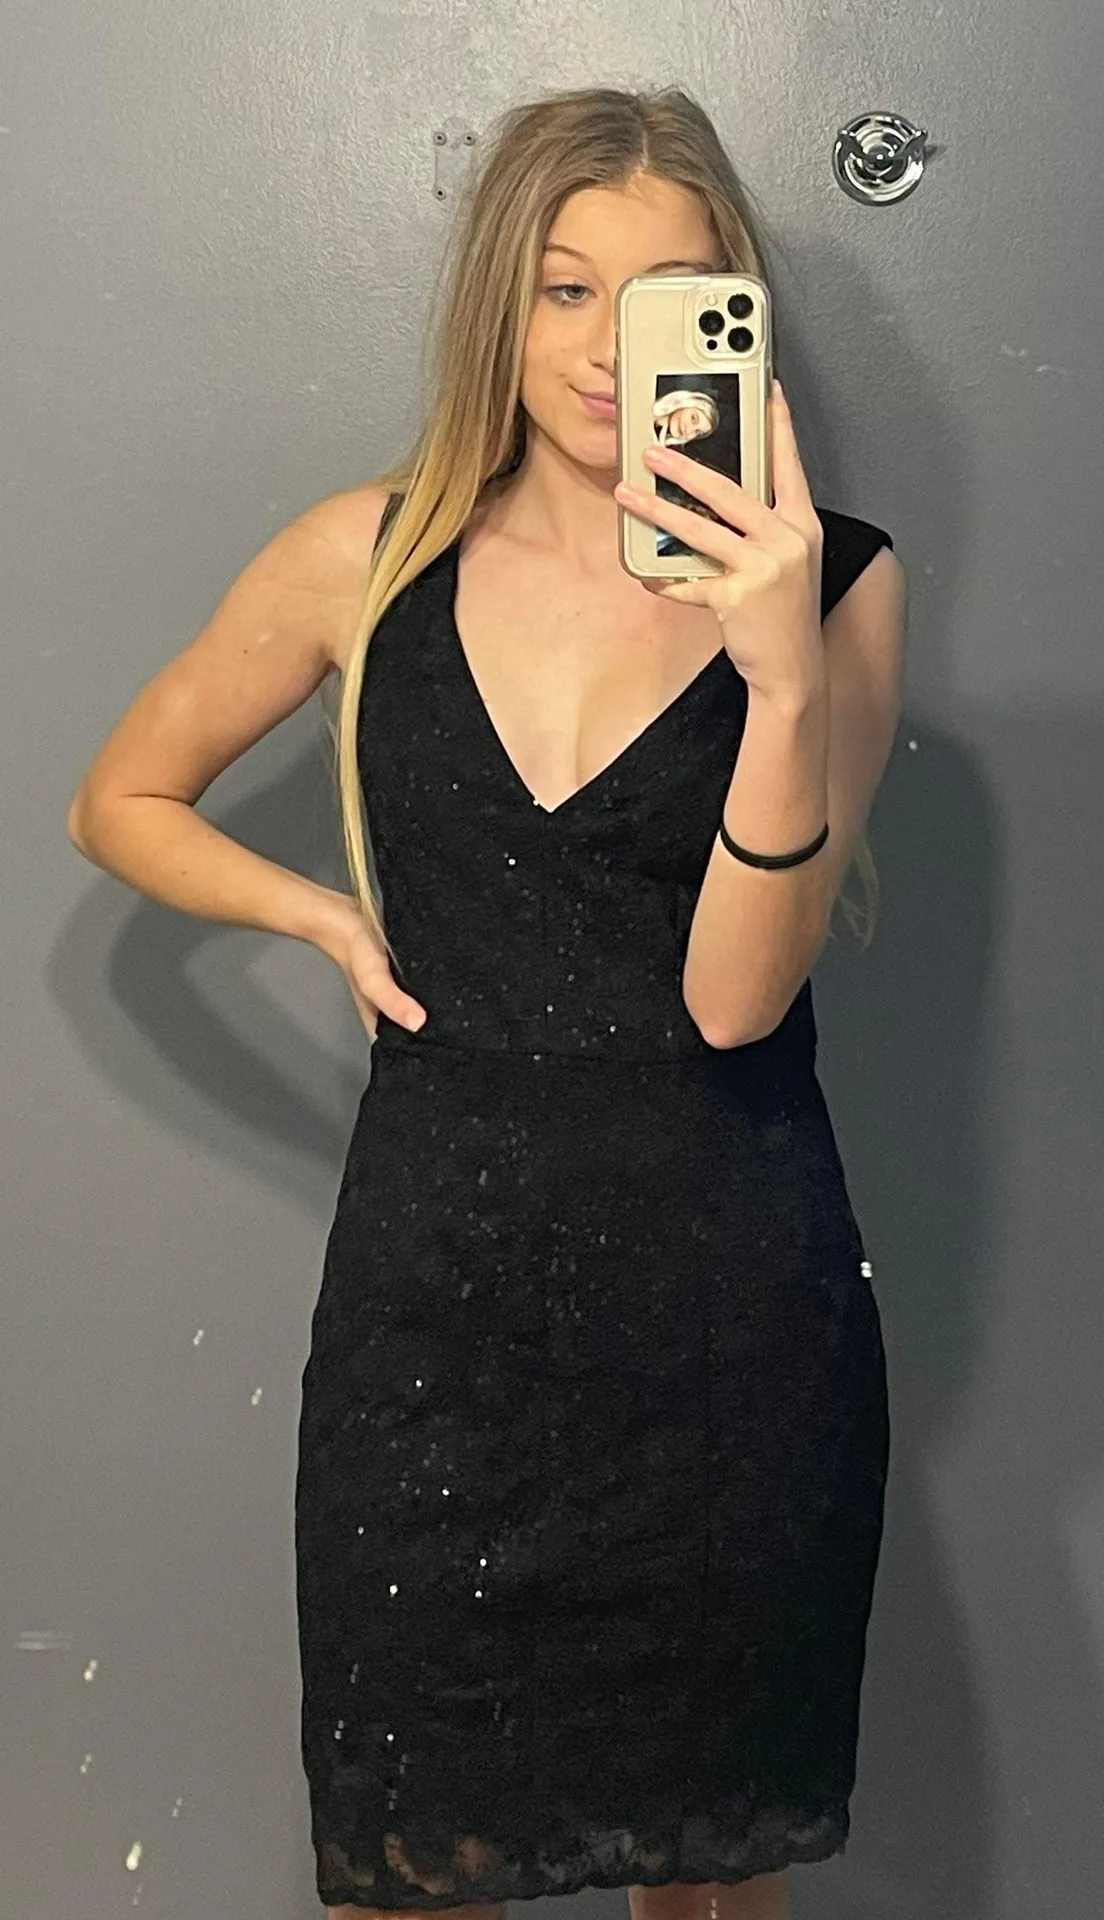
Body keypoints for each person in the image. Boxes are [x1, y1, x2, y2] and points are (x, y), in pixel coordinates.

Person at [67, 84, 907, 1920]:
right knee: (405, 1874)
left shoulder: (834, 585)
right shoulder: (362, 557)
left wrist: (777, 685)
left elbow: (734, 1005)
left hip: (728, 1323)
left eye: (664, 296)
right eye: (562, 289)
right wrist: (316, 915)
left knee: (710, 1881)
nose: (608, 350)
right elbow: (118, 795)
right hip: (435, 1325)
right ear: (496, 306)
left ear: (732, 319)